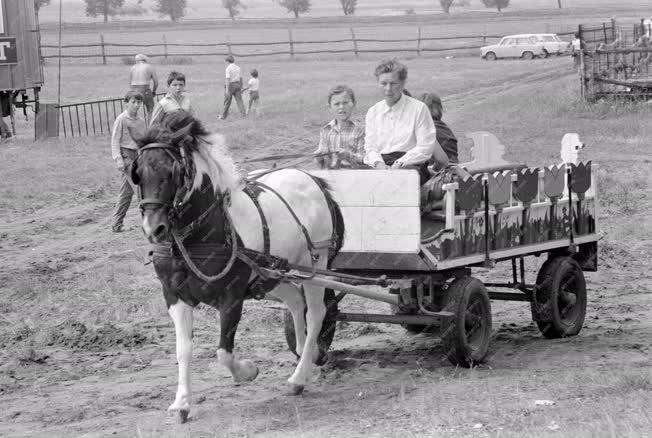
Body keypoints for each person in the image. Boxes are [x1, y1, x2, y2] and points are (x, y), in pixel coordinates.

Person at [363, 59, 448, 184]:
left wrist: (399, 163)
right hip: (381, 164)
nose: (388, 88)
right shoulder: (373, 112)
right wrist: (379, 164)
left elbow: (425, 147)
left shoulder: (418, 109)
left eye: (393, 83)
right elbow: (370, 147)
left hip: (411, 165)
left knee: (402, 178)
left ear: (402, 84)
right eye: (383, 83)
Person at [110, 91, 146, 233]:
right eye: (133, 102)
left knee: (126, 193)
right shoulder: (122, 119)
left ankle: (116, 224)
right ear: (126, 103)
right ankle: (148, 223)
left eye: (139, 102)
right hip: (126, 156)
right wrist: (118, 159)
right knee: (141, 189)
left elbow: (143, 140)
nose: (136, 105)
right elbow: (115, 140)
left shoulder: (141, 121)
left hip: (138, 156)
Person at [314, 85, 366, 169]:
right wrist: (319, 158)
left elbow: (365, 160)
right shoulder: (326, 130)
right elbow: (321, 164)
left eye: (345, 103)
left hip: (355, 175)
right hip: (332, 175)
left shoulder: (360, 130)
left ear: (354, 104)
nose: (341, 107)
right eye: (336, 104)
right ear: (330, 107)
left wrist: (348, 155)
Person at [419, 92, 459, 163]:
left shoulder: (425, 130)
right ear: (439, 108)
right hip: (455, 170)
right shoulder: (446, 129)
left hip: (439, 171)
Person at [129, 54, 158, 119]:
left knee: (133, 110)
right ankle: (150, 127)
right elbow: (156, 82)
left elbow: (130, 83)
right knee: (150, 110)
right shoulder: (149, 67)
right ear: (145, 60)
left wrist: (132, 92)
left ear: (137, 61)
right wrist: (154, 91)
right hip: (145, 89)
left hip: (134, 90)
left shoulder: (132, 68)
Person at [218, 55, 246, 120]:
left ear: (228, 61)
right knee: (239, 101)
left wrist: (227, 89)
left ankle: (223, 116)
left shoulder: (228, 69)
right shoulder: (238, 68)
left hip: (231, 85)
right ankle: (243, 114)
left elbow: (228, 79)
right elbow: (241, 78)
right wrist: (241, 86)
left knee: (227, 102)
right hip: (238, 84)